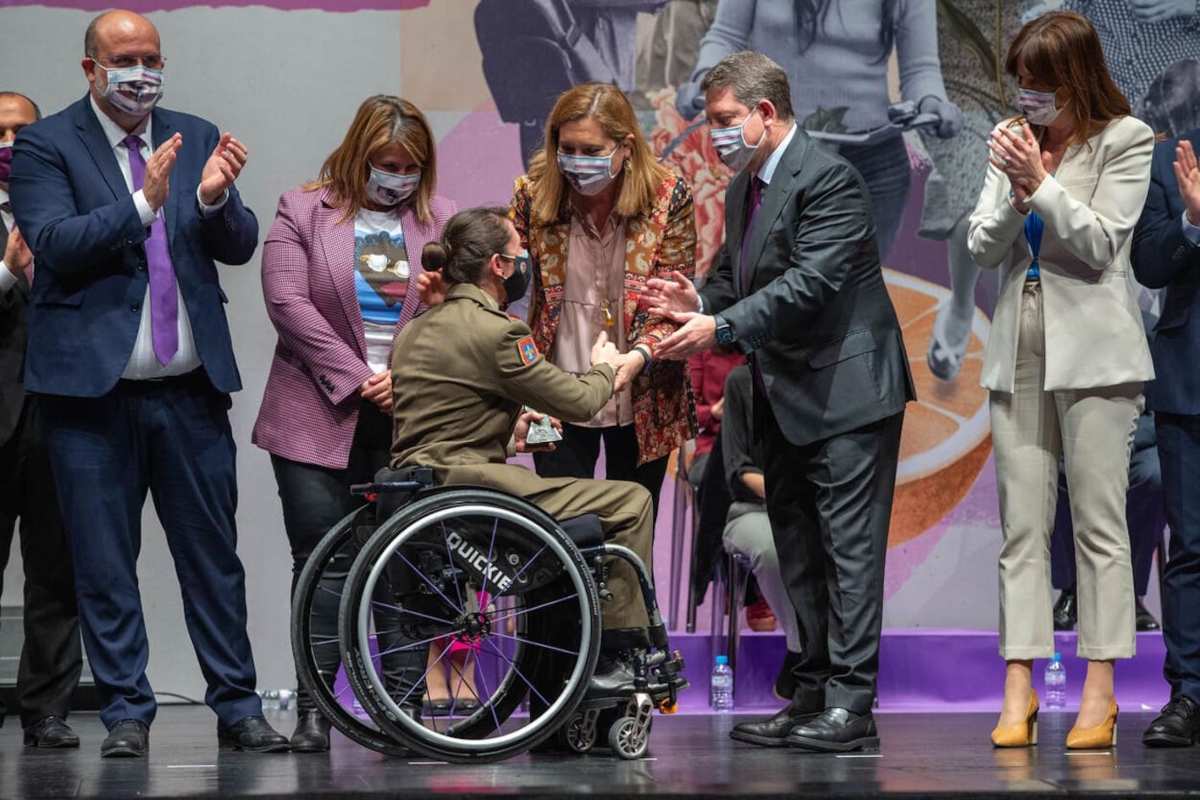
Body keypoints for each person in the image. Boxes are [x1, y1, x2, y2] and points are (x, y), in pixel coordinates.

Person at [9, 10, 286, 757]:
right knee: (103, 566)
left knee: (214, 560)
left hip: (189, 393)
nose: (142, 72)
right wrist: (143, 205)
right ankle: (128, 711)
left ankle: (238, 706)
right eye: (125, 59)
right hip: (90, 402)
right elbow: (55, 244)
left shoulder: (194, 133)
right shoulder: (45, 143)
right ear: (89, 68)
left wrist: (214, 199)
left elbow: (237, 243)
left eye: (152, 58)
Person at [647, 51, 915, 753]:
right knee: (798, 549)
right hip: (786, 395)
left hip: (849, 394)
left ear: (766, 114)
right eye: (712, 123)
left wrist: (723, 327)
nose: (718, 136)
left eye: (728, 121)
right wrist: (697, 301)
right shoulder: (745, 191)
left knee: (847, 555)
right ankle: (814, 693)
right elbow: (734, 283)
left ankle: (853, 706)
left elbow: (810, 286)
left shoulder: (829, 179)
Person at [967, 11, 1154, 750]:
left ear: (1074, 80)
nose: (1027, 99)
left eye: (1040, 86)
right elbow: (983, 246)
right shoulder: (1013, 144)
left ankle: (1099, 692)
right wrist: (1016, 193)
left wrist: (1040, 183)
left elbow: (1102, 242)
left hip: (1099, 355)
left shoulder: (1125, 140)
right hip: (1020, 345)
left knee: (1100, 529)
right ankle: (1018, 689)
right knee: (1021, 528)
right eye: (1021, 84)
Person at [393, 206, 670, 699]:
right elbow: (580, 401)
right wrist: (606, 367)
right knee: (630, 501)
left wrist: (508, 435)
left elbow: (439, 420)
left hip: (422, 485)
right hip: (472, 489)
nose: (526, 265)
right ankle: (620, 653)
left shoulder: (415, 329)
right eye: (520, 254)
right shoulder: (500, 332)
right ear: (498, 266)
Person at [252, 96, 455, 752]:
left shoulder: (442, 224)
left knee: (408, 562)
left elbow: (465, 312)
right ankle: (317, 712)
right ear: (356, 154)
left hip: (408, 417)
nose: (395, 175)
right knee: (324, 564)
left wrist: (407, 376)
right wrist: (358, 374)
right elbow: (287, 301)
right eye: (383, 163)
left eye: (408, 166)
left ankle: (405, 709)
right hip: (317, 412)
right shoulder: (302, 210)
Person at [508, 82, 697, 518]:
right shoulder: (531, 195)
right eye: (567, 147)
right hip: (556, 395)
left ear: (625, 147)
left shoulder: (669, 199)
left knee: (628, 533)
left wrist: (639, 357)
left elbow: (670, 301)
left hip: (643, 391)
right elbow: (507, 292)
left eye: (591, 150)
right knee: (557, 532)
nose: (576, 162)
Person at [677, 0, 962, 261]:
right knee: (766, 286)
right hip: (778, 154)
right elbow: (727, 35)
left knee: (856, 298)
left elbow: (920, 68)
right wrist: (707, 81)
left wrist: (932, 103)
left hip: (873, 163)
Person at [0, 90, 82, 749]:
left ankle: (46, 711)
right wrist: (6, 271)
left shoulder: (68, 205)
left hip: (60, 416)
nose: (8, 143)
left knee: (56, 573)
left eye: (19, 131)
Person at [1131, 124, 1200, 747]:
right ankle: (1189, 695)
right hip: (1190, 381)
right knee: (1193, 546)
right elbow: (1149, 264)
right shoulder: (1168, 159)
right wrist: (1193, 222)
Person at [1051, 312, 1166, 634]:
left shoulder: (1148, 327)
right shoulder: (1067, 325)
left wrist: (1120, 442)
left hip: (1137, 444)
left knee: (1156, 477)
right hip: (1078, 441)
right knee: (1057, 475)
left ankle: (1128, 594)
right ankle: (1073, 588)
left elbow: (1161, 411)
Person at [719, 364, 802, 716]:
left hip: (808, 510)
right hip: (752, 509)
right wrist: (790, 498)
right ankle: (803, 652)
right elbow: (739, 469)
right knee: (773, 548)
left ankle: (841, 669)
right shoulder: (741, 382)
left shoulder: (816, 378)